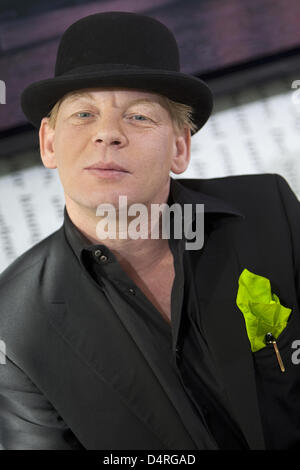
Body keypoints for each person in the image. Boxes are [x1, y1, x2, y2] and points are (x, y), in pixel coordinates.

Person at [0, 11, 300, 451]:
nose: (107, 134)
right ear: (48, 143)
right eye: (84, 113)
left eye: (139, 117)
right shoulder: (13, 325)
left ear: (180, 147)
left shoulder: (269, 209)